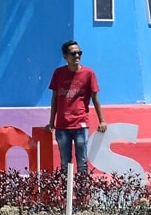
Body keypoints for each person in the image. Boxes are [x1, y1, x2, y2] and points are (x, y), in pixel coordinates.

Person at [45, 39, 107, 174]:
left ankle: (82, 187)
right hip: (62, 125)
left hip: (80, 124)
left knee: (82, 162)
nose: (77, 56)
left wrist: (102, 120)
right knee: (65, 162)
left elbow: (95, 98)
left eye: (79, 53)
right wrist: (51, 122)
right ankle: (66, 188)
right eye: (73, 53)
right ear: (65, 56)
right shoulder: (58, 73)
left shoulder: (89, 73)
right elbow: (55, 98)